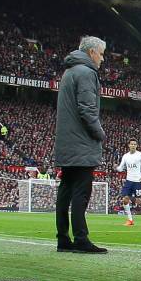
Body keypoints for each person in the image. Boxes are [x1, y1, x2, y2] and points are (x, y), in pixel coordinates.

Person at [54, 36, 107, 254]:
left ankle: (63, 239)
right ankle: (81, 239)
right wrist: (100, 134)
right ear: (92, 52)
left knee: (65, 190)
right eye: (102, 54)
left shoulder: (69, 72)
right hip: (82, 144)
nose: (102, 59)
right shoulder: (86, 72)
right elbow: (87, 110)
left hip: (67, 143)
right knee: (80, 192)